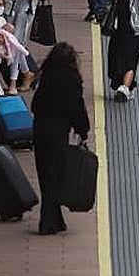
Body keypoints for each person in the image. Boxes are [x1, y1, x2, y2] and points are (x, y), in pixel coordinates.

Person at [30, 42, 90, 235]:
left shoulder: (45, 75)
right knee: (56, 174)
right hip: (58, 132)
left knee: (45, 174)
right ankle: (47, 221)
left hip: (40, 129)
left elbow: (35, 104)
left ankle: (55, 219)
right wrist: (83, 130)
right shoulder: (72, 79)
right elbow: (76, 107)